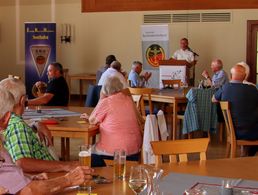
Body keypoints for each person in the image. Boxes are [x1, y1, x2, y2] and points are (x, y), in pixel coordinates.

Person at [0, 87, 93, 195]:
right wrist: (69, 179)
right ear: (7, 116)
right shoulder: (16, 127)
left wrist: (26, 178)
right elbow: (28, 190)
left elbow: (7, 176)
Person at [0, 78, 82, 173]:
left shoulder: (7, 122)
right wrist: (65, 165)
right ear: (23, 100)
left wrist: (35, 125)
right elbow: (22, 163)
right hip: (49, 177)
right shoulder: (17, 125)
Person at [81, 76, 143, 161]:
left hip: (114, 153)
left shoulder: (107, 102)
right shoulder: (128, 99)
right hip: (134, 151)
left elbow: (92, 120)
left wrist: (101, 98)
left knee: (86, 153)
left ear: (104, 89)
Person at [212, 65, 258, 153]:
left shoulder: (225, 88)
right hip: (252, 132)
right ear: (245, 77)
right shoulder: (253, 89)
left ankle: (246, 155)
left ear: (230, 76)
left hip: (234, 131)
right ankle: (248, 155)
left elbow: (213, 99)